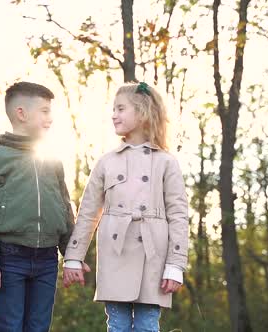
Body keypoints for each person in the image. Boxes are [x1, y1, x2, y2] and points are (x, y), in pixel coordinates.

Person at [63, 82, 189, 332]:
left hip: (153, 255)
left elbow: (178, 215)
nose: (114, 115)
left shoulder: (166, 162)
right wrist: (73, 258)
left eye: (121, 109)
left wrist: (176, 264)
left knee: (146, 324)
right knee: (117, 324)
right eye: (113, 109)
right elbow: (88, 213)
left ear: (142, 113)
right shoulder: (106, 162)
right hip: (115, 252)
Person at [0, 81, 81, 332]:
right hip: (10, 258)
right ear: (21, 114)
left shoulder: (53, 159)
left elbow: (65, 207)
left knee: (38, 327)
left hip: (47, 259)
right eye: (44, 111)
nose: (50, 118)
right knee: (11, 326)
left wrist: (72, 255)